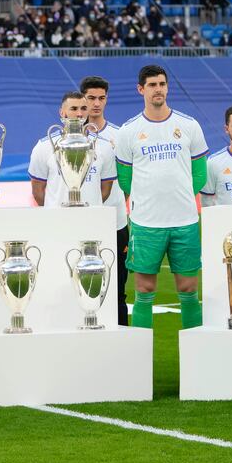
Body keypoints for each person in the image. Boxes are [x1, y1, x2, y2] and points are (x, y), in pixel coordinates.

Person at [114, 65, 209, 331]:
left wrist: (177, 197)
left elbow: (199, 174)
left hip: (185, 221)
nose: (159, 89)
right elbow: (125, 179)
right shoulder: (128, 131)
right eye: (153, 84)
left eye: (162, 84)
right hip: (146, 223)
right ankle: (141, 363)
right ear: (141, 89)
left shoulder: (189, 125)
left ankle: (195, 358)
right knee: (144, 288)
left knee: (189, 288)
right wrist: (151, 198)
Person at [81, 75, 130, 325]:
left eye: (101, 98)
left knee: (118, 286)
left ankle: (123, 338)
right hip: (80, 223)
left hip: (116, 221)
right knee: (79, 286)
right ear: (83, 99)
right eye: (91, 98)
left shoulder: (120, 135)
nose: (96, 104)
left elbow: (129, 178)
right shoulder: (71, 138)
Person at [29, 91, 115, 207]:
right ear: (62, 112)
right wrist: (55, 210)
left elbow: (106, 189)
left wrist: (90, 208)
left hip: (91, 220)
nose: (79, 113)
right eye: (74, 109)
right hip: (58, 221)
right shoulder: (44, 146)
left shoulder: (104, 146)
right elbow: (37, 191)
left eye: (84, 108)